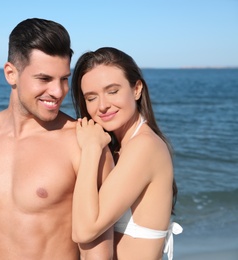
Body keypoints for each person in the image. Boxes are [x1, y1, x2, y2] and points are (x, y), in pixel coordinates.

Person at [0, 18, 114, 260]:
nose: (58, 92)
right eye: (44, 79)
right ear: (11, 74)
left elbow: (96, 251)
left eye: (64, 79)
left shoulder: (84, 144)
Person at [71, 47, 183, 260]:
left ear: (137, 89)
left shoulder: (144, 146)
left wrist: (91, 149)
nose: (102, 106)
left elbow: (83, 231)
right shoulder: (122, 147)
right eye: (91, 97)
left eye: (113, 91)